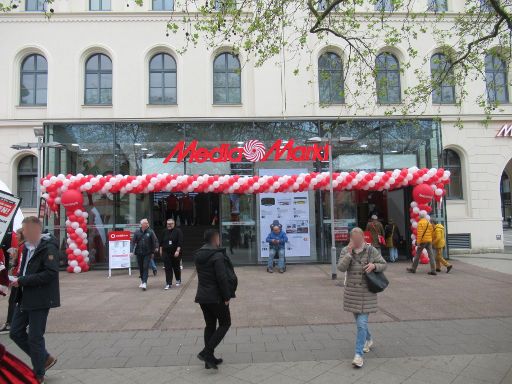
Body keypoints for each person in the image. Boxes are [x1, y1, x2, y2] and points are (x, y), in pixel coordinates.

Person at [9, 216, 60, 383]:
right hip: (23, 295)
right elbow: (24, 269)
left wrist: (23, 280)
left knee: (35, 336)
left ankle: (39, 374)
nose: (23, 232)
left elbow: (50, 273)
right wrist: (15, 278)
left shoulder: (48, 246)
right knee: (15, 332)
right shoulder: (25, 247)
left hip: (40, 297)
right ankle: (44, 358)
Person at [337, 227, 387, 368]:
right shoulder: (346, 250)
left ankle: (358, 355)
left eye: (360, 239)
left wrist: (374, 265)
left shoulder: (371, 251)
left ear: (363, 238)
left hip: (366, 293)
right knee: (360, 322)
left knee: (361, 323)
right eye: (355, 240)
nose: (358, 242)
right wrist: (349, 254)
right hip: (352, 293)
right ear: (351, 239)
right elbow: (341, 268)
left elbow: (384, 264)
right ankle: (368, 339)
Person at [194, 229, 237, 370]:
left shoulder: (198, 254)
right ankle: (206, 353)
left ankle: (209, 360)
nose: (220, 240)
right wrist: (226, 297)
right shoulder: (217, 256)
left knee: (210, 326)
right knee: (225, 323)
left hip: (203, 297)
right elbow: (222, 278)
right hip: (216, 297)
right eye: (218, 238)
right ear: (215, 239)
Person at [0, 228, 25, 335]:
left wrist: (16, 275)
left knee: (14, 300)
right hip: (18, 276)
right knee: (18, 300)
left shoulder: (23, 246)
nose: (15, 236)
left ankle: (11, 323)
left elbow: (20, 262)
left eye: (18, 234)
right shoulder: (21, 246)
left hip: (18, 277)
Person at [131, 219, 159, 291]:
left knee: (145, 266)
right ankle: (142, 280)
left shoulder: (150, 232)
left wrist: (156, 247)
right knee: (141, 267)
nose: (147, 224)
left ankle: (144, 283)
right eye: (145, 223)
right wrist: (131, 251)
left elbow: (155, 240)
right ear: (142, 224)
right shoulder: (137, 232)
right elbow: (133, 242)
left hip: (148, 253)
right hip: (139, 253)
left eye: (147, 223)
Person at [159, 219, 183, 290]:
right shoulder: (164, 231)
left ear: (174, 224)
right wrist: (160, 251)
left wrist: (177, 251)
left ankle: (178, 279)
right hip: (166, 252)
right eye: (168, 224)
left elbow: (180, 242)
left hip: (175, 252)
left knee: (176, 267)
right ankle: (168, 283)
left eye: (171, 224)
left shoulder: (178, 231)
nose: (169, 225)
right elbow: (161, 242)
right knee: (168, 268)